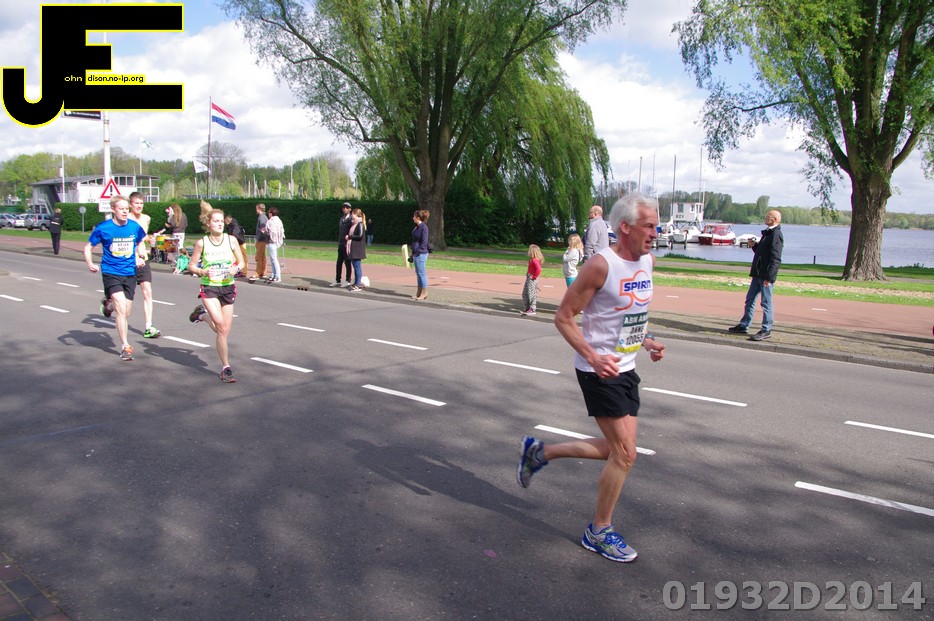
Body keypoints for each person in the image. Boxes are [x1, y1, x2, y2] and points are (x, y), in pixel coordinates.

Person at [517, 193, 666, 564]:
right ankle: (599, 531)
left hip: (626, 367)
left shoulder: (647, 261)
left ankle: (540, 452)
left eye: (657, 225)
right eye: (649, 225)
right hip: (598, 371)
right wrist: (593, 356)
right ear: (625, 227)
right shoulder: (601, 265)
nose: (656, 232)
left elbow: (630, 312)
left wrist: (646, 340)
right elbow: (564, 317)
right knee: (625, 453)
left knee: (617, 450)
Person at [83, 195, 147, 361]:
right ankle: (125, 346)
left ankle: (108, 305)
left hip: (130, 273)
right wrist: (90, 263)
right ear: (113, 209)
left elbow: (140, 243)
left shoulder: (134, 227)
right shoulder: (104, 228)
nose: (125, 211)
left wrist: (141, 257)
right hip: (111, 272)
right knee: (121, 307)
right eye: (121, 209)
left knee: (126, 311)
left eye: (126, 208)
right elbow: (88, 247)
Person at [188, 208, 246, 383]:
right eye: (216, 221)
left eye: (221, 221)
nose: (220, 224)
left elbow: (242, 262)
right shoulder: (202, 243)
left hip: (227, 287)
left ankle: (202, 316)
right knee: (220, 326)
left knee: (224, 330)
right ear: (208, 224)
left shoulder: (231, 240)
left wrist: (236, 268)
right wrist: (202, 271)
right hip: (210, 287)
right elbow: (191, 266)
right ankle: (226, 368)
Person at [727, 209, 784, 341]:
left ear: (775, 219)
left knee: (766, 302)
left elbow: (776, 259)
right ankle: (744, 325)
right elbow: (762, 253)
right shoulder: (768, 233)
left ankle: (766, 329)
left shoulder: (776, 234)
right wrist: (754, 246)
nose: (766, 217)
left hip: (765, 276)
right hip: (757, 274)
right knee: (750, 299)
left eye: (768, 216)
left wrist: (769, 278)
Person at [128, 191, 161, 339]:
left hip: (143, 258)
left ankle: (149, 326)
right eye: (136, 203)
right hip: (129, 260)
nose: (139, 206)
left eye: (141, 203)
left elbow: (143, 236)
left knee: (147, 291)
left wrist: (150, 239)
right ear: (130, 204)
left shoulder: (146, 218)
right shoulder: (125, 218)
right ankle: (109, 305)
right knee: (125, 301)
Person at [330, 202, 353, 287]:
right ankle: (337, 279)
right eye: (343, 207)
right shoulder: (342, 219)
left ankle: (348, 280)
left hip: (347, 244)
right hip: (341, 243)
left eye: (346, 207)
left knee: (347, 262)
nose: (345, 209)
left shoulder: (351, 219)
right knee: (339, 262)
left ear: (350, 209)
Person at [411, 210, 430, 300]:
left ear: (418, 218)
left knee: (421, 273)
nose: (413, 218)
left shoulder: (423, 227)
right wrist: (413, 253)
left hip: (421, 253)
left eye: (414, 216)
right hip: (416, 253)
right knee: (418, 273)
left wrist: (418, 251)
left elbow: (424, 242)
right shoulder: (417, 227)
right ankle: (418, 292)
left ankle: (424, 293)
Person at [520, 244, 544, 315]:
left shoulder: (534, 260)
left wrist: (534, 277)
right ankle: (527, 308)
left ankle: (532, 309)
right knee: (525, 293)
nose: (528, 252)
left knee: (531, 294)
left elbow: (539, 269)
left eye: (529, 250)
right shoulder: (531, 260)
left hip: (532, 279)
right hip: (529, 278)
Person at [346, 208, 367, 291]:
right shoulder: (354, 224)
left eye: (352, 214)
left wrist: (349, 236)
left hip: (357, 249)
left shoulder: (360, 224)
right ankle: (356, 283)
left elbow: (360, 236)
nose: (351, 215)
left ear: (355, 214)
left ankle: (358, 284)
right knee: (355, 266)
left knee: (357, 267)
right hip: (354, 248)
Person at [265, 206, 285, 283]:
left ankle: (278, 276)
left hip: (272, 242)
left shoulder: (270, 221)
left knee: (274, 259)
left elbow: (271, 232)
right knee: (273, 259)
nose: (268, 214)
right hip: (277, 242)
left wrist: (265, 232)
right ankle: (274, 275)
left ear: (271, 213)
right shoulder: (279, 220)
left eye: (269, 212)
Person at [224, 213, 248, 277]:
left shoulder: (235, 225)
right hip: (237, 243)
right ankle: (238, 270)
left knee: (243, 257)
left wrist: (230, 239)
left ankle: (244, 272)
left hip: (240, 242)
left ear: (227, 220)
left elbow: (235, 234)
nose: (225, 223)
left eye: (225, 221)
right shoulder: (230, 225)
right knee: (235, 258)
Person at [250, 203, 269, 282]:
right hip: (263, 239)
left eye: (256, 208)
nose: (256, 210)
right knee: (262, 256)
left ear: (259, 209)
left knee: (258, 256)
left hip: (261, 240)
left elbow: (263, 229)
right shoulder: (264, 217)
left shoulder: (262, 217)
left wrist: (259, 238)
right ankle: (263, 272)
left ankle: (258, 273)